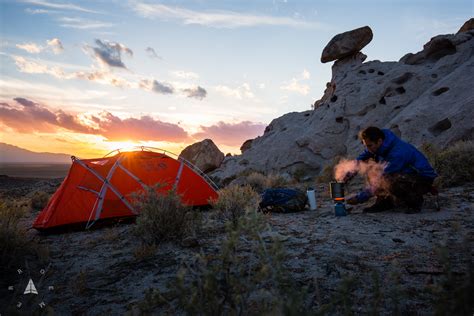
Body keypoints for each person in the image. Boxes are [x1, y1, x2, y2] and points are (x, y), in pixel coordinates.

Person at [345, 126, 437, 213]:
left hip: (422, 179)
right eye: (366, 146)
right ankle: (385, 202)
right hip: (405, 174)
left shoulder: (397, 153)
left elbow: (380, 179)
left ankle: (415, 202)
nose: (367, 149)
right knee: (371, 168)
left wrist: (360, 198)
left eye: (369, 146)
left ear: (379, 141)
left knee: (387, 179)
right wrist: (349, 173)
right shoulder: (379, 144)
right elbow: (361, 159)